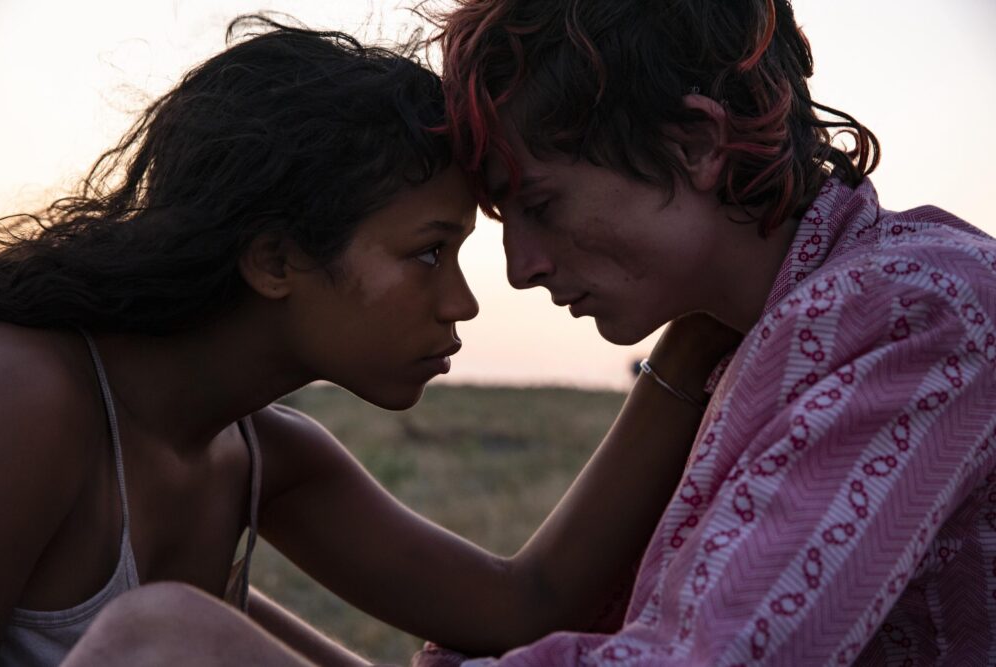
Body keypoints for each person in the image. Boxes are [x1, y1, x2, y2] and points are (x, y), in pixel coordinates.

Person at [0, 15, 739, 667]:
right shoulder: (30, 395)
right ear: (276, 260)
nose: (464, 302)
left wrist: (696, 333)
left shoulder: (261, 457)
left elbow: (522, 604)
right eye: (427, 251)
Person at [416, 0, 996, 664]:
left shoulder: (919, 313)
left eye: (542, 205)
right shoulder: (754, 329)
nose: (522, 268)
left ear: (696, 144)